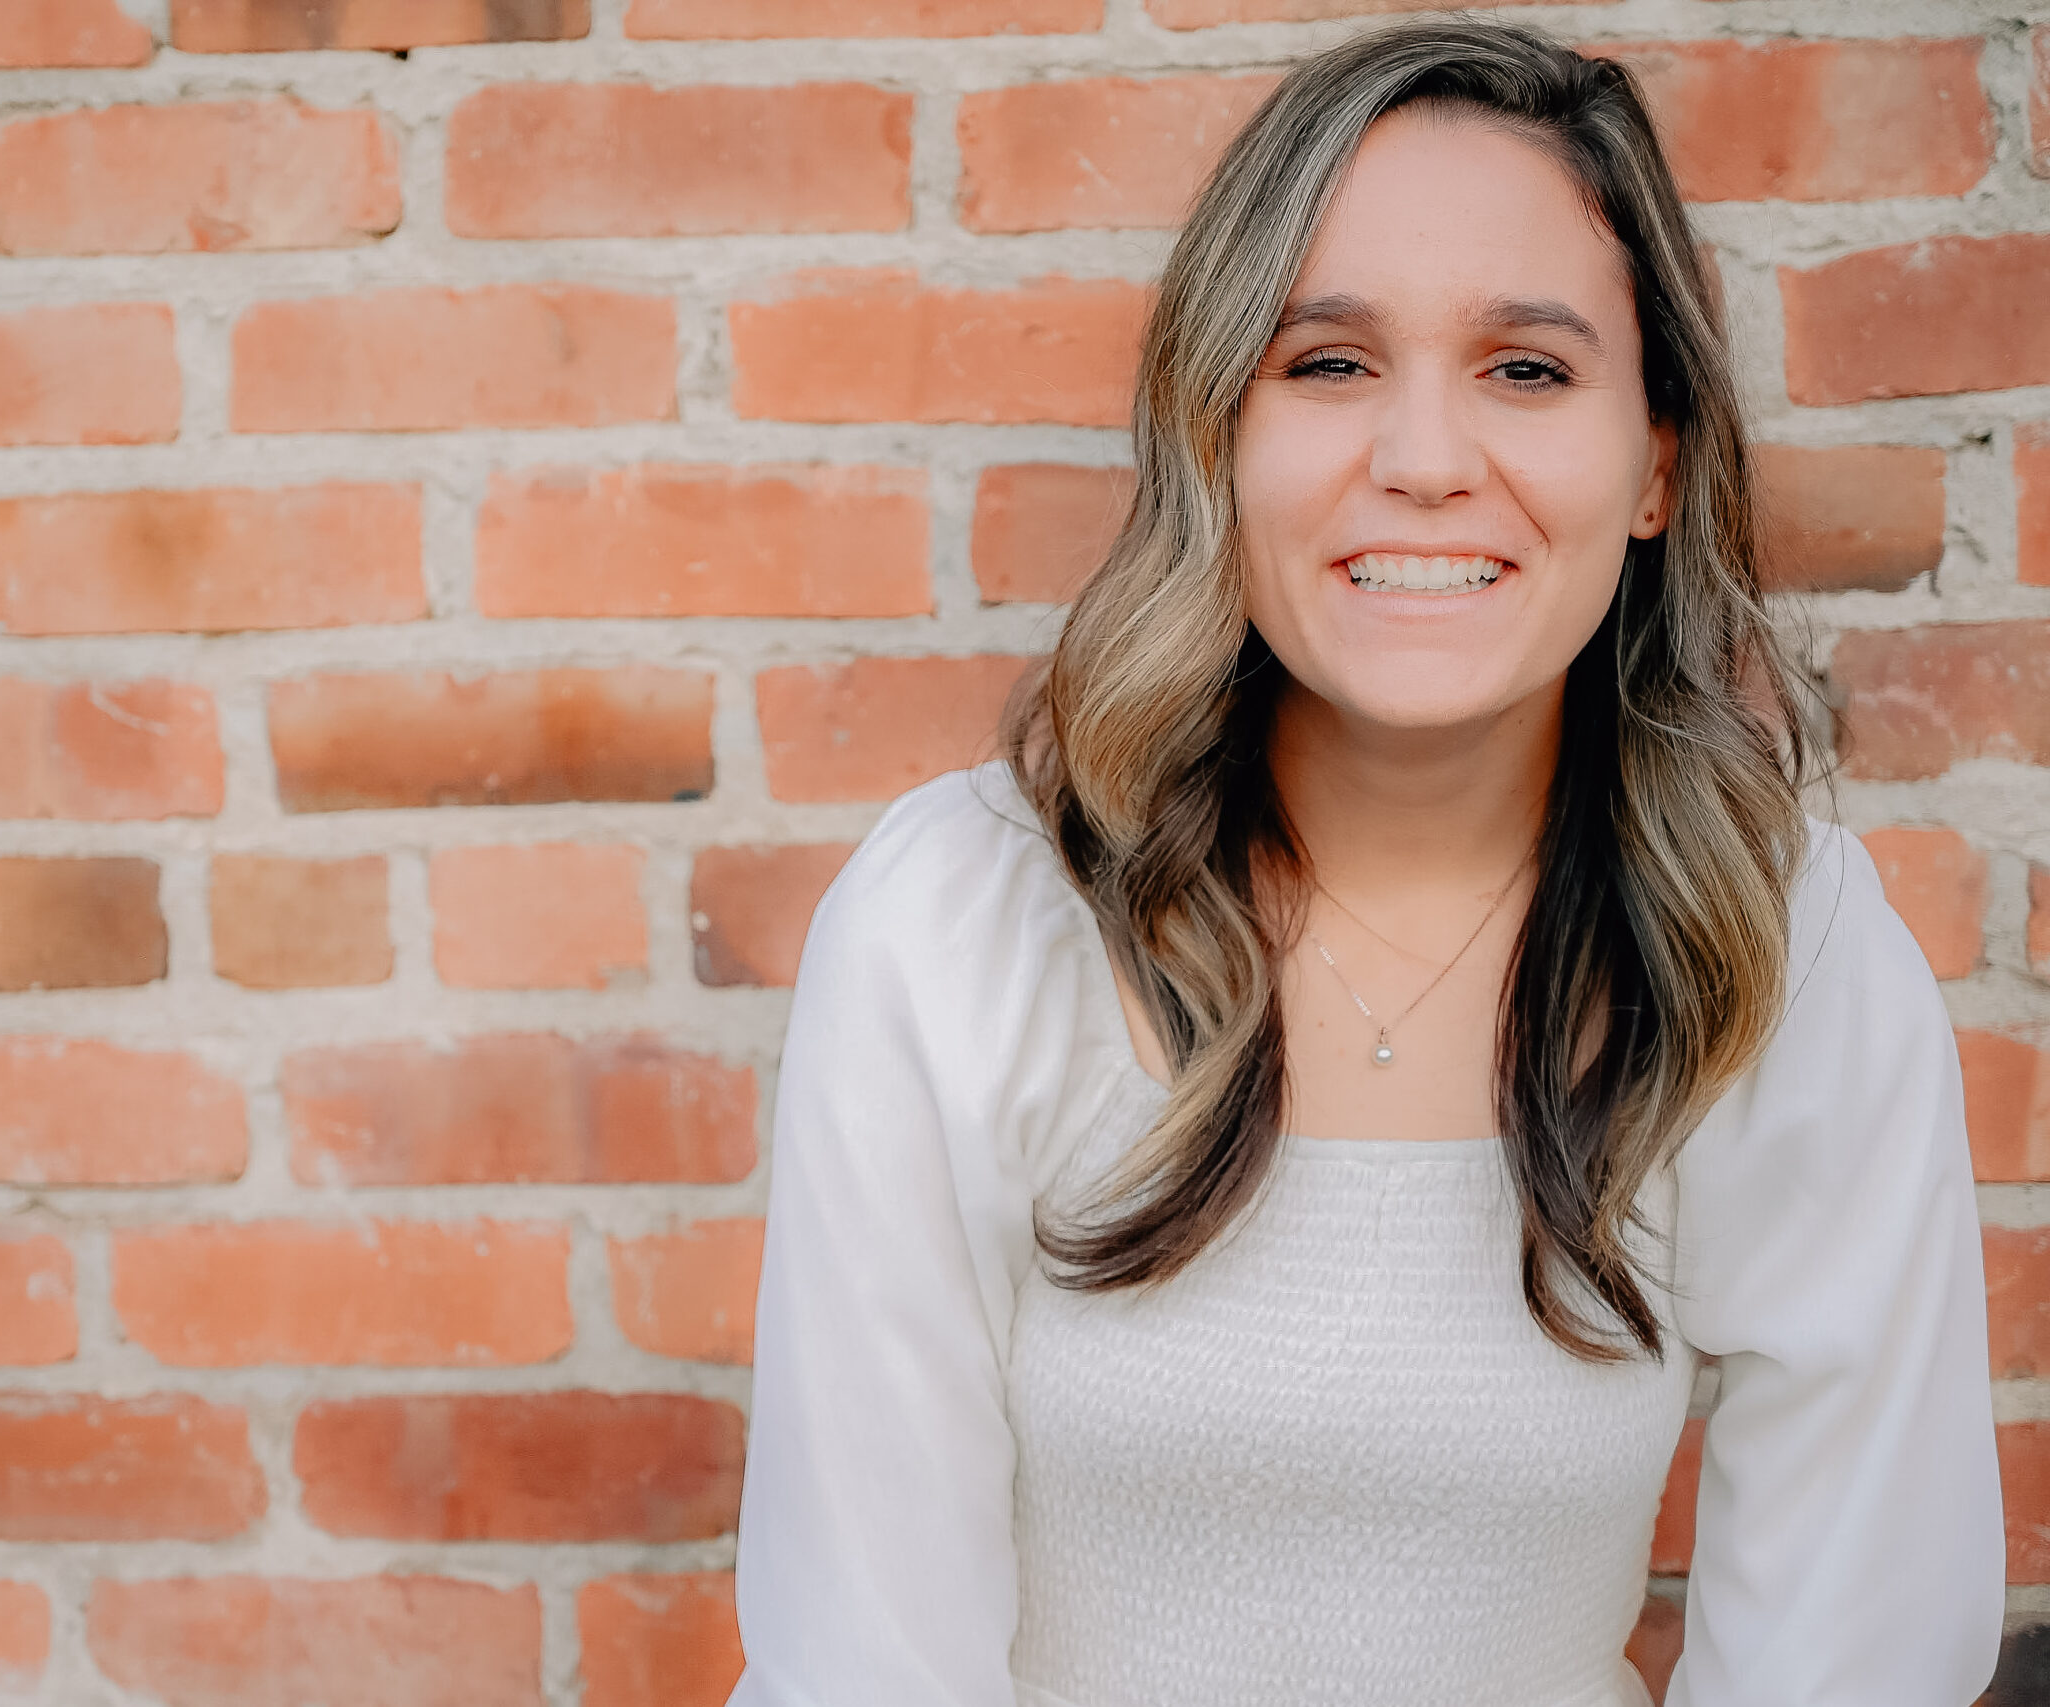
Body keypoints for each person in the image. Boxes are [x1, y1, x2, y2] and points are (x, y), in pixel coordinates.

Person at [723, 18, 2003, 1707]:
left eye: (1527, 369)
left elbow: (1854, 1648)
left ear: (1656, 463)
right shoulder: (957, 927)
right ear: (1218, 434)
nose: (1421, 457)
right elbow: (866, 1664)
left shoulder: (1781, 953)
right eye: (1326, 363)